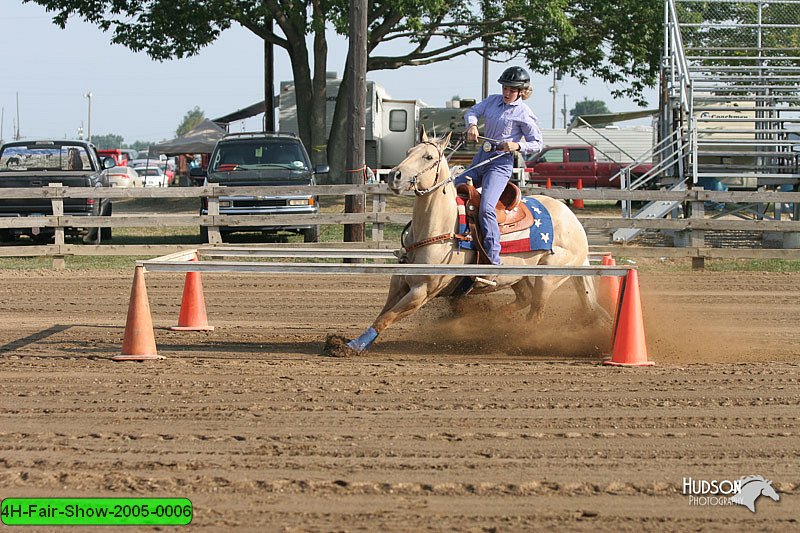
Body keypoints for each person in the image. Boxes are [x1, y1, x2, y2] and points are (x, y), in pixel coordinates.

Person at [456, 66, 543, 266]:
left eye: (512, 90)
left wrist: (517, 145)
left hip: (500, 164)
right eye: (505, 88)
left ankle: (493, 258)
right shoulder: (493, 100)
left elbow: (537, 143)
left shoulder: (524, 113)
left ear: (521, 92)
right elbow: (472, 111)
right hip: (482, 157)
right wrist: (472, 125)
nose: (506, 92)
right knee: (451, 190)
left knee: (487, 207)